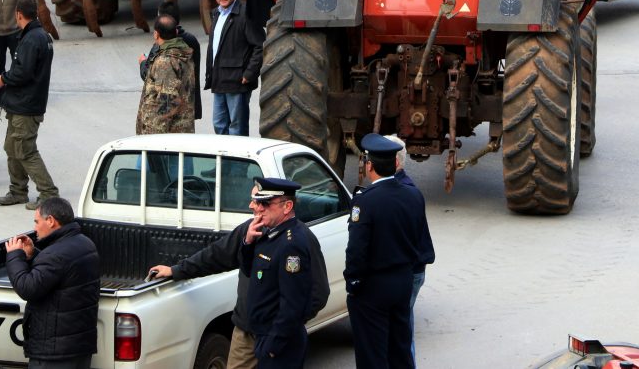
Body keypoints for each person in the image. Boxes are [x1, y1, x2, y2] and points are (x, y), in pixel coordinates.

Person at [149, 186, 329, 369]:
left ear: (287, 206)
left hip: (275, 335)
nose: (254, 206)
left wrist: (283, 331)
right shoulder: (253, 230)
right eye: (254, 200)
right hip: (246, 332)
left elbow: (318, 293)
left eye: (263, 202)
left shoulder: (298, 241)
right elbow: (216, 255)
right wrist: (177, 270)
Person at [344, 134, 429, 369]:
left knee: (372, 354)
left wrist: (353, 283)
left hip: (373, 287)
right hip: (402, 281)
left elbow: (357, 251)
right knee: (400, 350)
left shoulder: (366, 202)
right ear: (395, 164)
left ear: (369, 166)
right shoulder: (413, 195)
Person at [4, 197, 100, 369]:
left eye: (37, 221)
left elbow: (27, 288)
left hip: (54, 354)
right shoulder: (85, 244)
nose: (35, 228)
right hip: (78, 347)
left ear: (50, 221)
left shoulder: (55, 255)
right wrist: (33, 254)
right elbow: (58, 272)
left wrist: (14, 256)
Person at [240, 178, 322, 368]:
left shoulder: (291, 244)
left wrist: (272, 346)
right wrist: (247, 243)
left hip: (280, 344)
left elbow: (292, 305)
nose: (258, 208)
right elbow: (249, 272)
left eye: (265, 203)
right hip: (264, 336)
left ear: (287, 206)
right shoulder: (269, 233)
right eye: (258, 202)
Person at [0, 0, 59, 210]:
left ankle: (48, 194)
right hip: (21, 103)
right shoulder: (40, 36)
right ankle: (17, 191)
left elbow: (23, 72)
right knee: (12, 147)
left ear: (19, 14)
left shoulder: (32, 39)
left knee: (26, 150)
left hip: (26, 104)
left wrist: (3, 78)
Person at [391, 138, 436, 362]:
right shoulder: (408, 191)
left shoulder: (401, 193)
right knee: (402, 326)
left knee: (400, 331)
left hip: (407, 271)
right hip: (413, 268)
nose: (368, 164)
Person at [206, 0, 264, 136]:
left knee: (237, 127)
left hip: (238, 81)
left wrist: (249, 74)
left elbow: (260, 46)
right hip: (219, 80)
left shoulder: (246, 15)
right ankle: (223, 160)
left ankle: (238, 161)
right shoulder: (216, 14)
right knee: (219, 124)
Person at [139, 1, 202, 121]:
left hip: (168, 112)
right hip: (189, 102)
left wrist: (143, 62)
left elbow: (147, 74)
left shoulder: (160, 45)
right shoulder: (191, 40)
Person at [137, 15, 196, 135]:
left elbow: (167, 102)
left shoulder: (166, 61)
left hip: (165, 138)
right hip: (179, 131)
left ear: (156, 34)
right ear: (176, 32)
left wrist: (153, 138)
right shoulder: (181, 53)